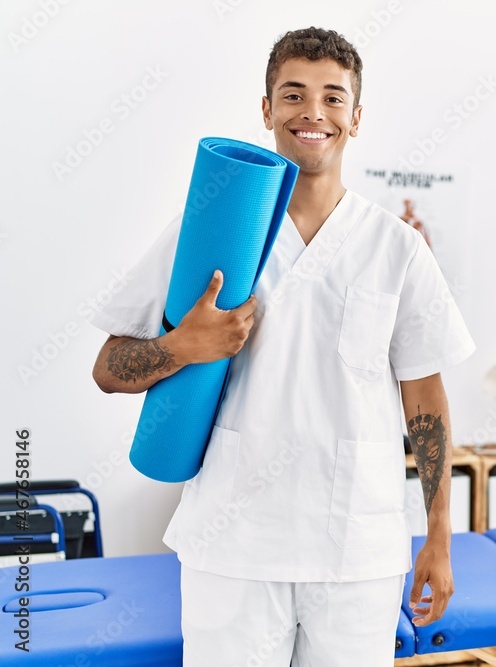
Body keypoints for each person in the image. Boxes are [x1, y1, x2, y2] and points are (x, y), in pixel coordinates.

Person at [90, 26, 475, 666]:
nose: (312, 113)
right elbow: (107, 368)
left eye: (332, 96)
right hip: (232, 546)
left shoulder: (396, 249)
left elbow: (425, 401)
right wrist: (182, 346)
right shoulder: (209, 230)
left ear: (356, 116)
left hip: (356, 550)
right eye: (293, 94)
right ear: (267, 110)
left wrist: (440, 536)